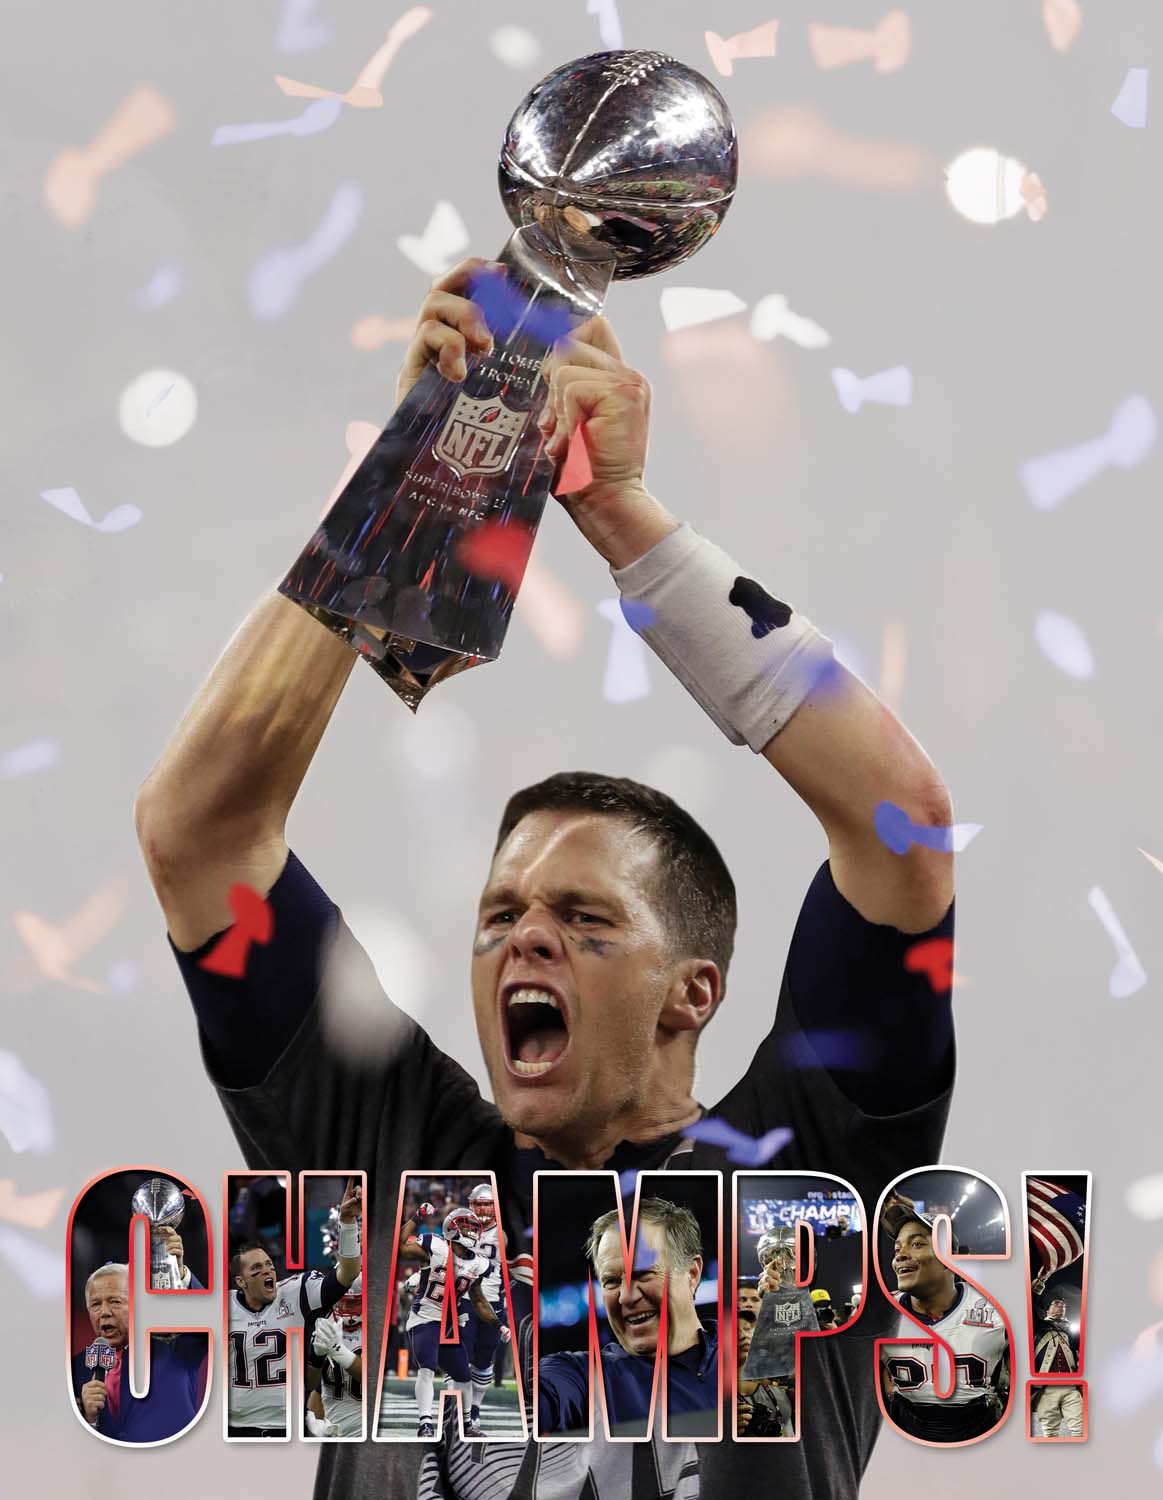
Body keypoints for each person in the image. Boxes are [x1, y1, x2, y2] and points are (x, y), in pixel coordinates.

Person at [135, 254, 957, 1497]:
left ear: (691, 990)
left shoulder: (796, 1181)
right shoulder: (396, 1158)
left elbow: (901, 825)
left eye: (583, 920)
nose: (523, 940)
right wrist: (406, 488)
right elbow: (198, 830)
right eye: (501, 915)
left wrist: (618, 512)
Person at [538, 1197, 717, 1438]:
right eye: (611, 1281)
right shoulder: (585, 1378)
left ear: (692, 1273)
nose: (626, 1297)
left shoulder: (747, 1357)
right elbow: (538, 1395)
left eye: (643, 1275)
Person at [227, 1177, 361, 1436]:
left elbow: (347, 1273)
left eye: (269, 1265)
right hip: (237, 1427)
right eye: (257, 1269)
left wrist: (347, 1222)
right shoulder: (224, 1306)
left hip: (287, 1427)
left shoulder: (297, 1291)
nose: (268, 1271)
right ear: (241, 1281)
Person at [880, 1210, 1008, 1441]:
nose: (900, 1256)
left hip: (978, 1428)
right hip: (906, 1427)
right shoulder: (881, 1313)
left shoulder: (995, 1309)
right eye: (897, 1249)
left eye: (917, 1244)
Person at [72, 1257, 207, 1442]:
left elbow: (209, 1319)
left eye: (115, 1301)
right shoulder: (76, 1368)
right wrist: (89, 1421)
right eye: (96, 1304)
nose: (104, 1312)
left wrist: (182, 1276)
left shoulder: (175, 1346)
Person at [398, 1203, 497, 1437]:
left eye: (474, 1228)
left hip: (448, 1326)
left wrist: (498, 1324)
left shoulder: (478, 1263)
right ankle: (425, 1424)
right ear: (452, 1228)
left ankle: (467, 1425)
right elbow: (400, 1247)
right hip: (424, 1318)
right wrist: (417, 1217)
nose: (472, 1232)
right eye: (467, 1227)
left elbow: (479, 1299)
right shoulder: (435, 1246)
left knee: (463, 1375)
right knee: (427, 1368)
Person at [460, 1182, 511, 1435]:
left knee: (484, 1358)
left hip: (492, 1301)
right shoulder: (460, 1229)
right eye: (478, 1204)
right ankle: (460, 1407)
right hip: (464, 1299)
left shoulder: (503, 1234)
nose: (482, 1209)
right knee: (461, 1354)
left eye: (487, 1204)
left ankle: (475, 1407)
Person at [306, 1277, 364, 1438]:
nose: (344, 1308)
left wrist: (339, 1351)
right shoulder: (327, 1326)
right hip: (336, 1434)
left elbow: (373, 1379)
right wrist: (316, 1358)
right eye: (340, 1301)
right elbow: (316, 1388)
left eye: (352, 1303)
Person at [1030, 1293, 1083, 1437]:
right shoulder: (1038, 1325)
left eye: (1063, 1305)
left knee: (1080, 1428)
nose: (1060, 1306)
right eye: (1056, 1304)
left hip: (1070, 1385)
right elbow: (1029, 1305)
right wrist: (1037, 1289)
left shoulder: (1071, 1330)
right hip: (1046, 1387)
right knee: (1050, 1431)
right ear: (1047, 1310)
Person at [735, 1302, 789, 1437]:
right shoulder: (712, 1390)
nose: (743, 1335)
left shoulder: (777, 1376)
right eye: (733, 1332)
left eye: (747, 1328)